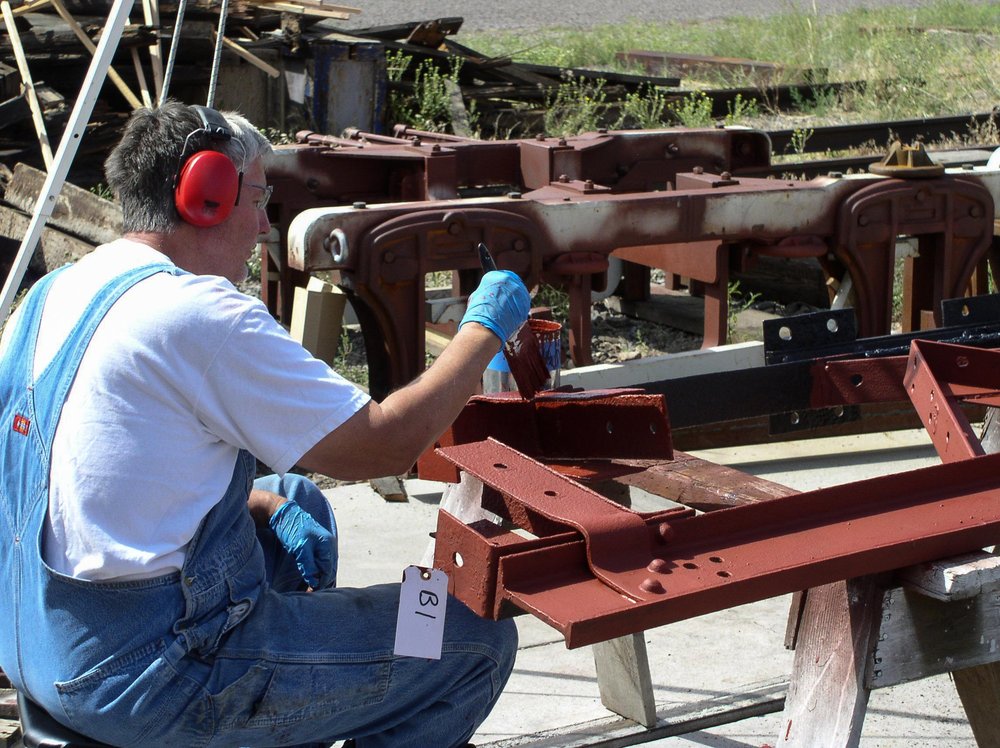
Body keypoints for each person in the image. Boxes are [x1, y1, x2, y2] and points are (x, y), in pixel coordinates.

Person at [0, 100, 530, 747]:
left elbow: (83, 479)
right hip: (152, 675)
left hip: (42, 644)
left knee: (295, 497)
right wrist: (483, 329)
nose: (262, 227)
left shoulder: (54, 293)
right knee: (471, 637)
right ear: (206, 198)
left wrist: (262, 500)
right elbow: (383, 446)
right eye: (257, 199)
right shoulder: (197, 316)